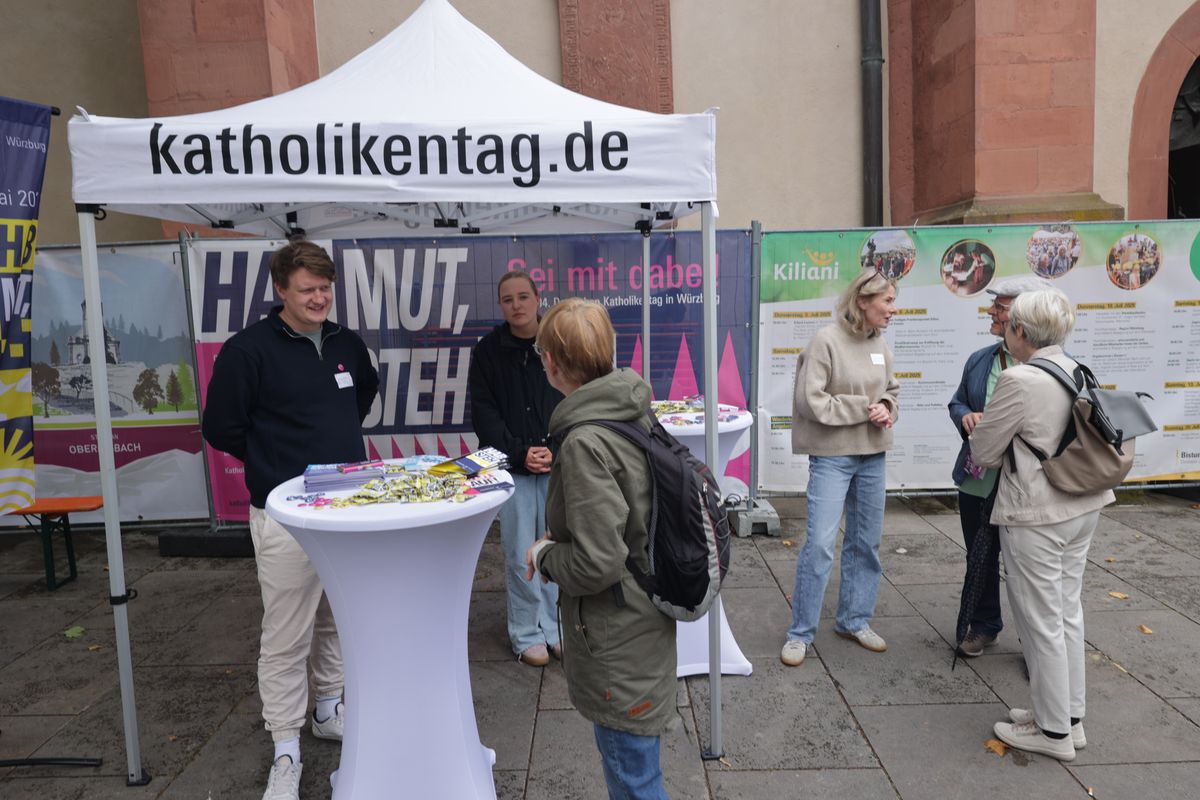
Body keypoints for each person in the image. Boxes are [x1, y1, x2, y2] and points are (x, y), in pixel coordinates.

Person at [202, 239, 380, 800]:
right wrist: (272, 463)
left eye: (325, 288)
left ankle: (329, 709)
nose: (319, 298)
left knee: (335, 620)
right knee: (286, 634)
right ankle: (285, 746)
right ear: (280, 290)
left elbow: (362, 397)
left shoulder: (346, 343)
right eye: (307, 289)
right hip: (285, 517)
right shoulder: (248, 350)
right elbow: (222, 428)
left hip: (346, 510)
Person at [525, 298, 675, 800]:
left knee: (633, 781)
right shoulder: (630, 408)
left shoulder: (586, 440)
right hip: (643, 619)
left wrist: (544, 555)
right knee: (637, 769)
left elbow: (596, 563)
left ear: (551, 362)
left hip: (618, 636)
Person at [968, 288, 1113, 762]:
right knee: (1067, 613)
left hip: (1038, 513)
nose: (1006, 330)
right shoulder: (1076, 368)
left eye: (1009, 324)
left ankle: (1053, 735)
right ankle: (1069, 718)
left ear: (1021, 332)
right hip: (1082, 504)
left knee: (1042, 622)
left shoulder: (1019, 380)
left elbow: (984, 453)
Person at [781, 269, 899, 667]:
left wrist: (887, 408)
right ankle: (800, 633)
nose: (893, 310)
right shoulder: (826, 341)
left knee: (865, 543)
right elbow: (810, 400)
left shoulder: (879, 343)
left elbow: (891, 391)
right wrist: (865, 409)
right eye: (887, 301)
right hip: (833, 457)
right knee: (819, 545)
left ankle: (854, 619)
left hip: (873, 455)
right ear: (863, 301)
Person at [948, 274, 1050, 658]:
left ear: (1023, 318)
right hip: (977, 479)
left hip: (1026, 482)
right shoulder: (981, 359)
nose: (991, 312)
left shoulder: (1052, 368)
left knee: (1028, 567)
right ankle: (985, 625)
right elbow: (956, 402)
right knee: (980, 555)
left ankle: (1037, 646)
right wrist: (965, 418)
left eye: (1000, 308)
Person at [468, 270, 563, 666]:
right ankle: (525, 634)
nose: (516, 305)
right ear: (501, 305)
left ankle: (556, 627)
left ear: (538, 297)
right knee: (520, 553)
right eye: (508, 299)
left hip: (559, 467)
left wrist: (555, 450)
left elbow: (574, 398)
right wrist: (521, 452)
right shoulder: (488, 351)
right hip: (512, 469)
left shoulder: (558, 344)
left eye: (523, 296)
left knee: (559, 550)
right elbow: (484, 414)